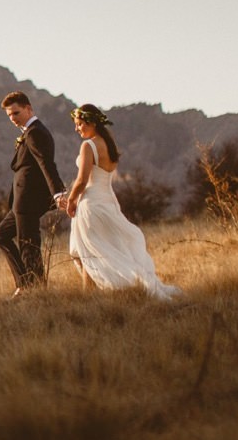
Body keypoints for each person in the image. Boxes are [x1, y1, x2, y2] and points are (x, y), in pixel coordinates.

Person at [62, 104, 181, 300]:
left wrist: (71, 200)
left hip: (91, 204)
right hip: (108, 201)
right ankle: (94, 294)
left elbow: (82, 179)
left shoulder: (88, 145)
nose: (77, 129)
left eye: (80, 124)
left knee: (88, 252)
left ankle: (89, 296)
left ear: (91, 123)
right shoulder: (109, 145)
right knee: (98, 248)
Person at [0, 91, 67, 296]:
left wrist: (58, 193)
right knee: (1, 236)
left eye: (16, 113)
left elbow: (46, 164)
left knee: (29, 246)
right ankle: (25, 283)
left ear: (29, 109)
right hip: (20, 201)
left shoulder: (35, 132)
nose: (13, 119)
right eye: (9, 115)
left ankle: (34, 291)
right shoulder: (30, 131)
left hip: (28, 201)